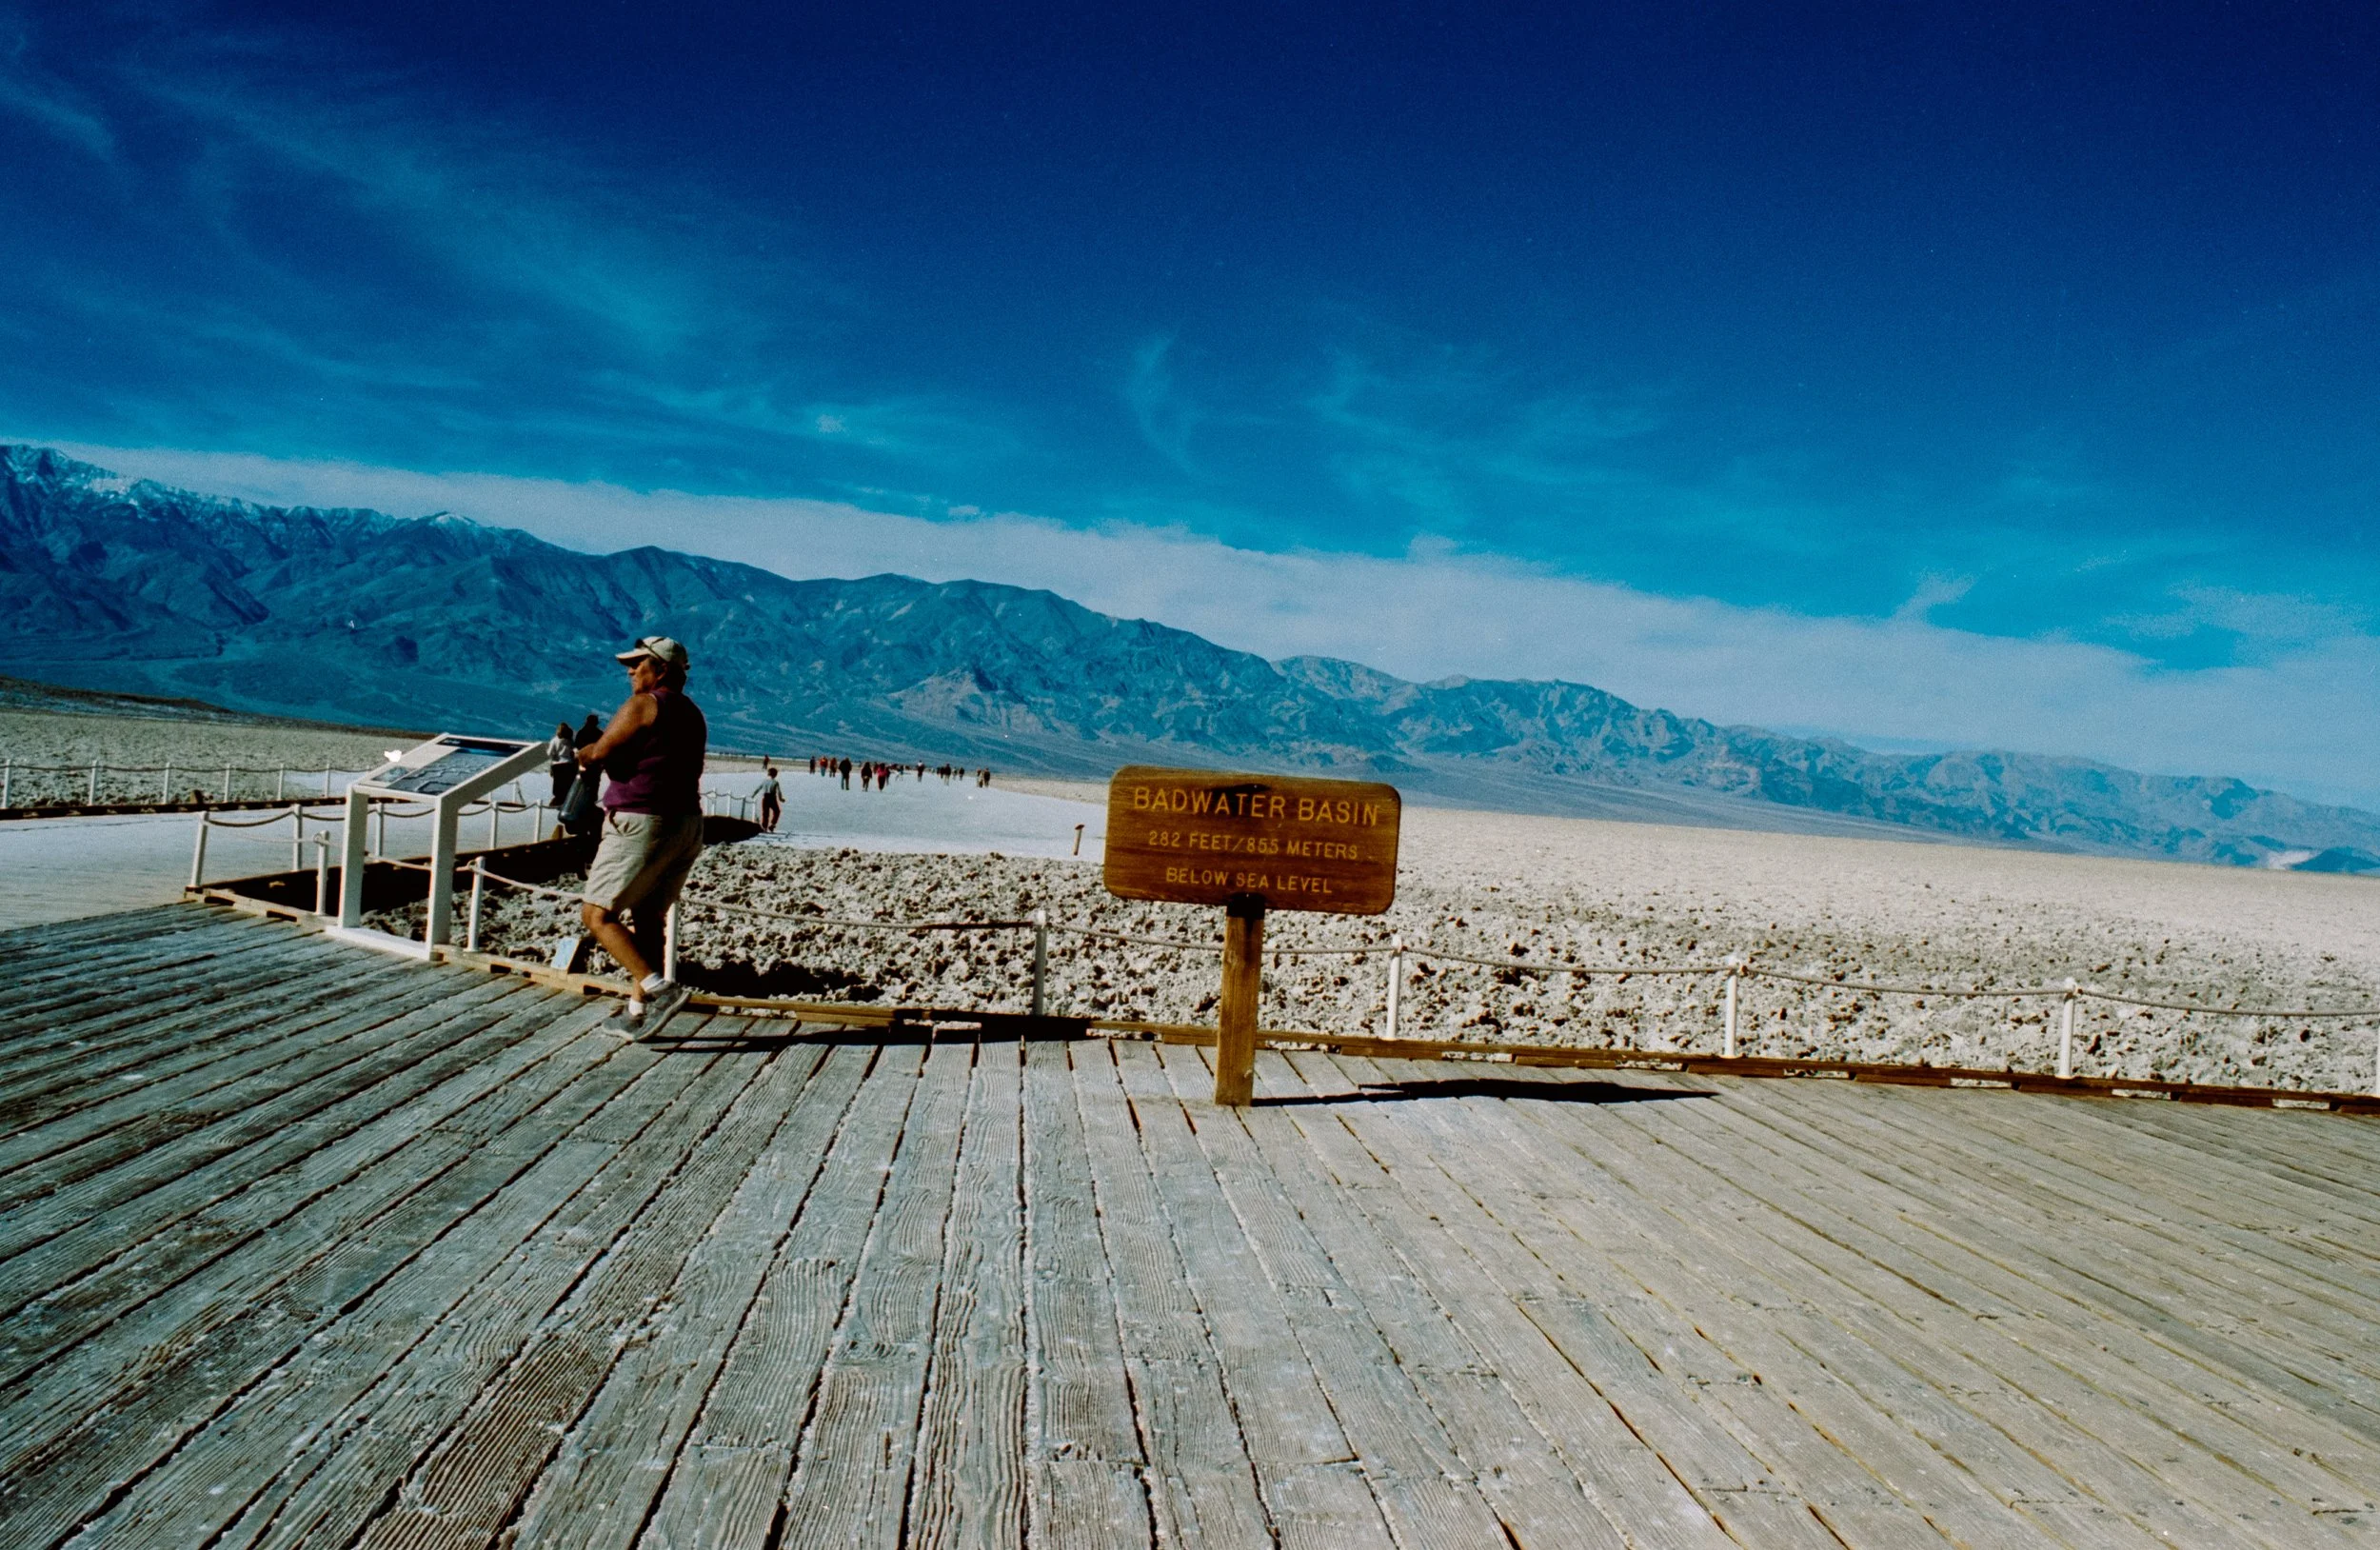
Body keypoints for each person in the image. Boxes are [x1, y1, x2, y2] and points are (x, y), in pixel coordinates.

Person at [577, 635, 707, 1037]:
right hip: (686, 823)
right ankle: (637, 1013)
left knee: (597, 915)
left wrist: (583, 753)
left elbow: (598, 753)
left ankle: (658, 990)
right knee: (648, 917)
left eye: (638, 663)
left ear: (661, 669)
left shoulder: (645, 704)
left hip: (641, 821)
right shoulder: (693, 713)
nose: (630, 671)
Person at [545, 722, 577, 807]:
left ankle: (557, 800)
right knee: (567, 784)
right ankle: (565, 801)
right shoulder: (570, 741)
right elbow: (574, 751)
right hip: (568, 764)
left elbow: (549, 753)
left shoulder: (554, 740)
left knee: (558, 783)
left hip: (557, 764)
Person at [757, 763, 783, 831]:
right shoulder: (775, 782)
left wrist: (753, 795)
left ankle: (764, 827)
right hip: (772, 798)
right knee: (777, 811)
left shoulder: (765, 781)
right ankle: (772, 824)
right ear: (776, 774)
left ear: (769, 774)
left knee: (765, 813)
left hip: (765, 797)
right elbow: (779, 792)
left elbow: (758, 789)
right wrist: (781, 799)